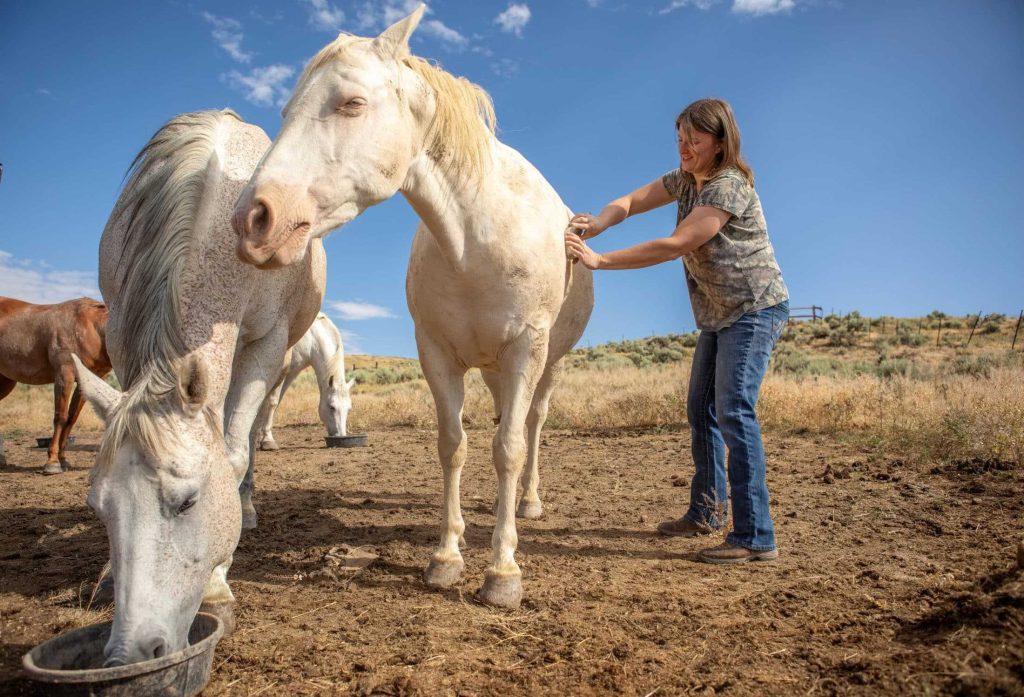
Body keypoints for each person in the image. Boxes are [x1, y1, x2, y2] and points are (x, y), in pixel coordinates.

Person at [564, 98, 789, 564]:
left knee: (734, 412)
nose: (685, 147)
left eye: (695, 139)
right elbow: (629, 202)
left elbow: (676, 244)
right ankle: (707, 512)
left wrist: (600, 260)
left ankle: (754, 536)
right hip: (717, 313)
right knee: (701, 408)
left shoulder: (728, 187)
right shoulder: (686, 179)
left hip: (753, 309)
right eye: (680, 138)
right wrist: (598, 223)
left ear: (721, 142)